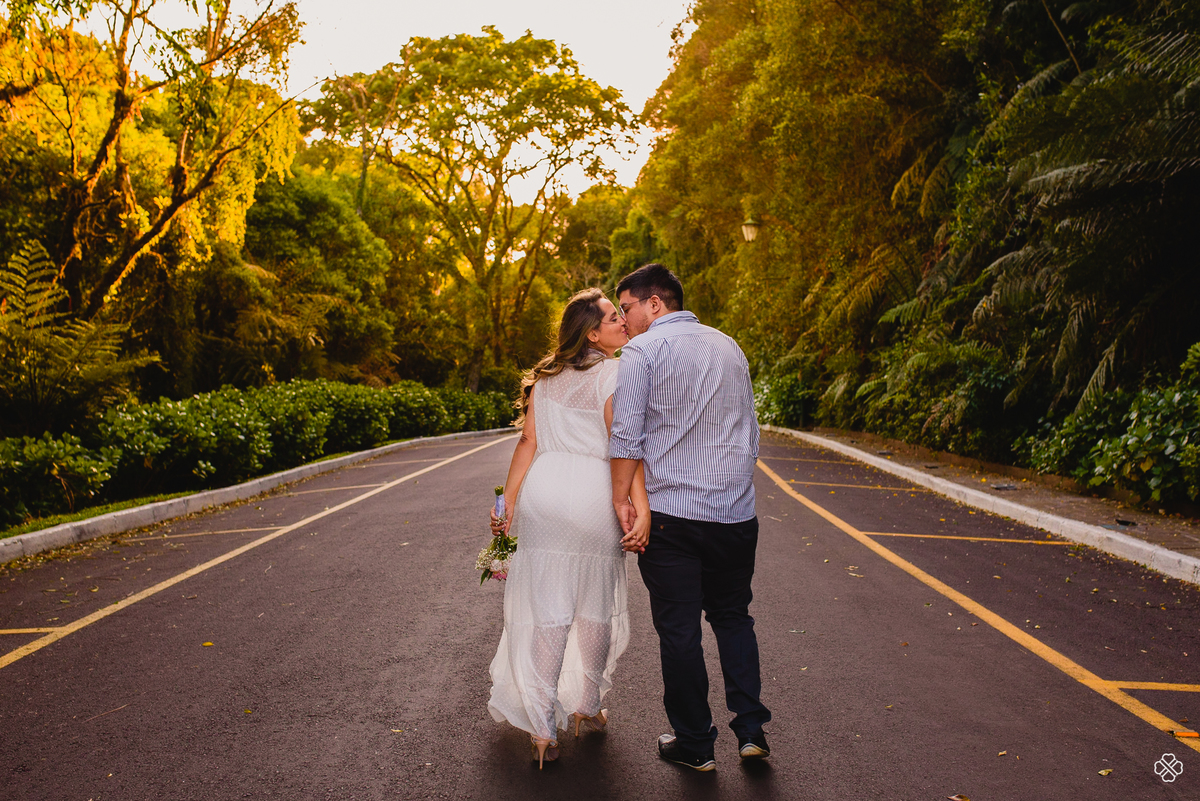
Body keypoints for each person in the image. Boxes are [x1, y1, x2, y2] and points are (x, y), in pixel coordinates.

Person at [609, 263, 771, 772]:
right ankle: (751, 731)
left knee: (680, 631)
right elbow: (751, 432)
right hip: (734, 514)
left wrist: (622, 501)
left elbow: (627, 435)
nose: (625, 319)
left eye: (628, 307)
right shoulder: (730, 346)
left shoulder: (643, 350)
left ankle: (696, 745)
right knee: (733, 617)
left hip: (673, 516)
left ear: (655, 303)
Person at [487, 288, 650, 769]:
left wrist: (506, 503)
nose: (622, 321)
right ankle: (585, 705)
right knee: (595, 605)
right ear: (592, 333)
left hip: (543, 492)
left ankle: (541, 727)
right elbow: (622, 443)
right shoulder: (614, 371)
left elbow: (527, 442)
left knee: (549, 610)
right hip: (592, 493)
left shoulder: (546, 378)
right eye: (612, 317)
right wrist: (639, 505)